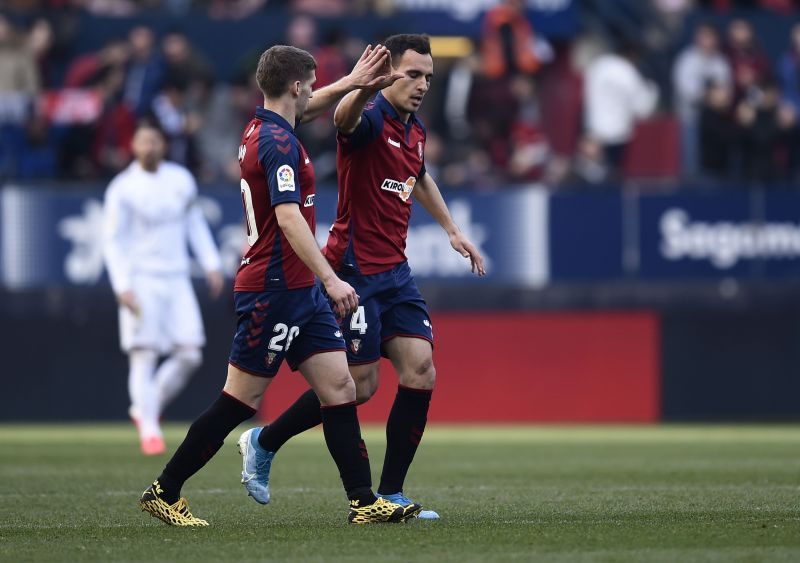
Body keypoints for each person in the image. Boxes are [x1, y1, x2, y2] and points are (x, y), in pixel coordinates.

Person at [138, 43, 421, 527]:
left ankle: (362, 501)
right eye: (310, 83)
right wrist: (330, 279)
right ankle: (164, 490)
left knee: (339, 386)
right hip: (273, 287)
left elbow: (309, 108)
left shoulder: (264, 127)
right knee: (239, 401)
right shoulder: (280, 144)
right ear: (295, 85)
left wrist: (353, 83)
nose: (314, 92)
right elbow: (289, 219)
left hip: (297, 290)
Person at [238, 34, 486, 521]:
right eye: (412, 75)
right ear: (388, 72)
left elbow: (419, 174)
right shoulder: (369, 116)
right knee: (360, 386)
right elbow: (340, 120)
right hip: (353, 270)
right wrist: (362, 86)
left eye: (428, 78)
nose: (421, 86)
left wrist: (452, 229)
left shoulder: (415, 129)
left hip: (395, 272)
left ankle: (392, 493)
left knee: (421, 370)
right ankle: (263, 441)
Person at [102, 121, 223, 456]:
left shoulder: (180, 180)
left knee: (189, 354)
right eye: (143, 141)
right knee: (144, 354)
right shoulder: (122, 188)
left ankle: (145, 407)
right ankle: (151, 430)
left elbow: (194, 224)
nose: (149, 147)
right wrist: (122, 284)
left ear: (163, 145)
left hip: (177, 277)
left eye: (155, 141)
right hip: (141, 279)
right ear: (134, 146)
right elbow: (112, 240)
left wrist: (211, 263)